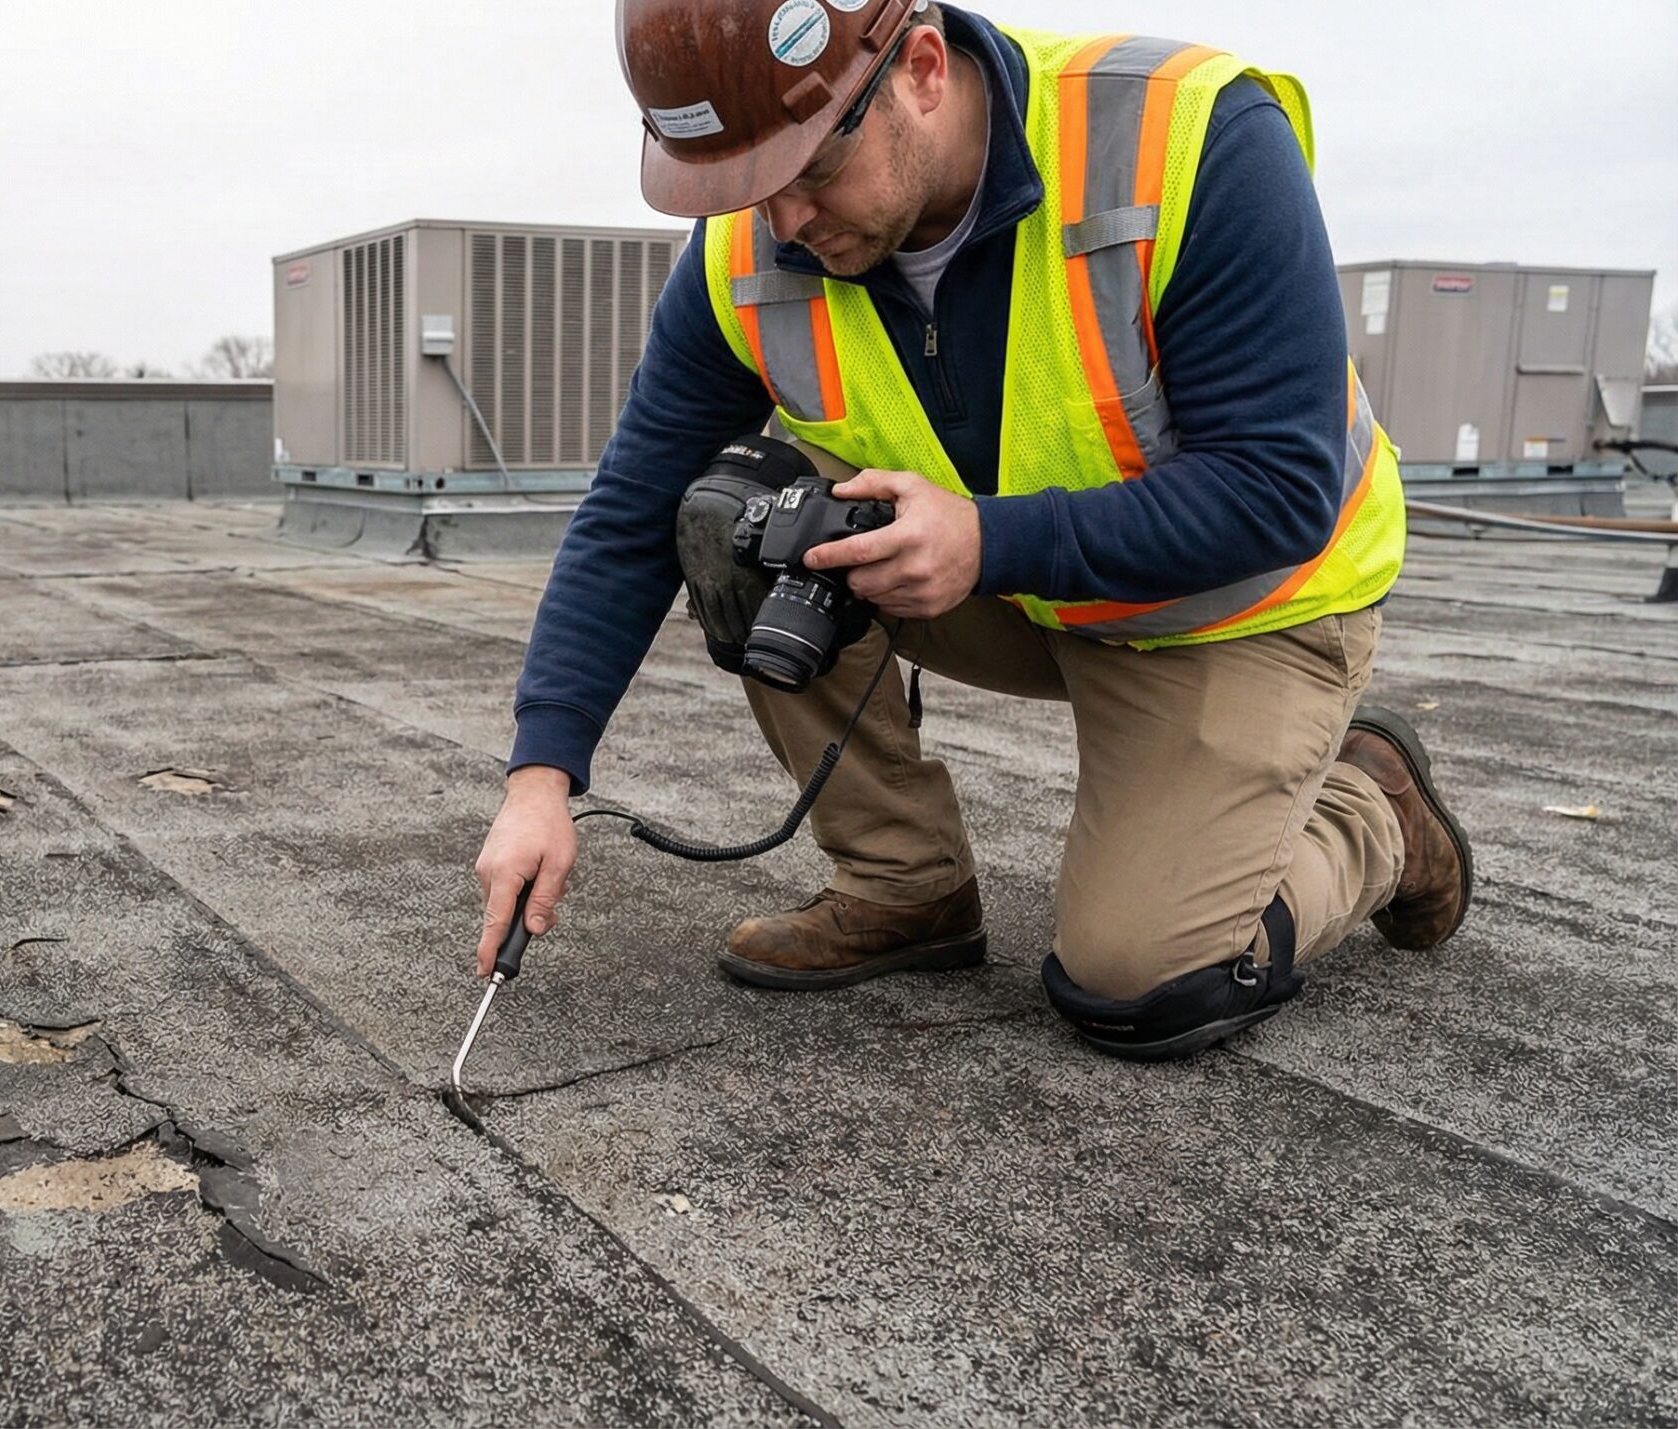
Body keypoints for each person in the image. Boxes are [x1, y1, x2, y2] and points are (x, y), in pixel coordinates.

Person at [472, 0, 1473, 1059]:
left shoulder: (1185, 138)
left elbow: (1277, 486)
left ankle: (1379, 811)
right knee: (742, 524)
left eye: (808, 170)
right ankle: (905, 883)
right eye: (745, 188)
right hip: (1010, 586)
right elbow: (633, 504)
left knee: (1139, 981)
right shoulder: (748, 247)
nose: (783, 224)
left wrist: (987, 543)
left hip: (1247, 602)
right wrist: (542, 776)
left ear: (920, 69)